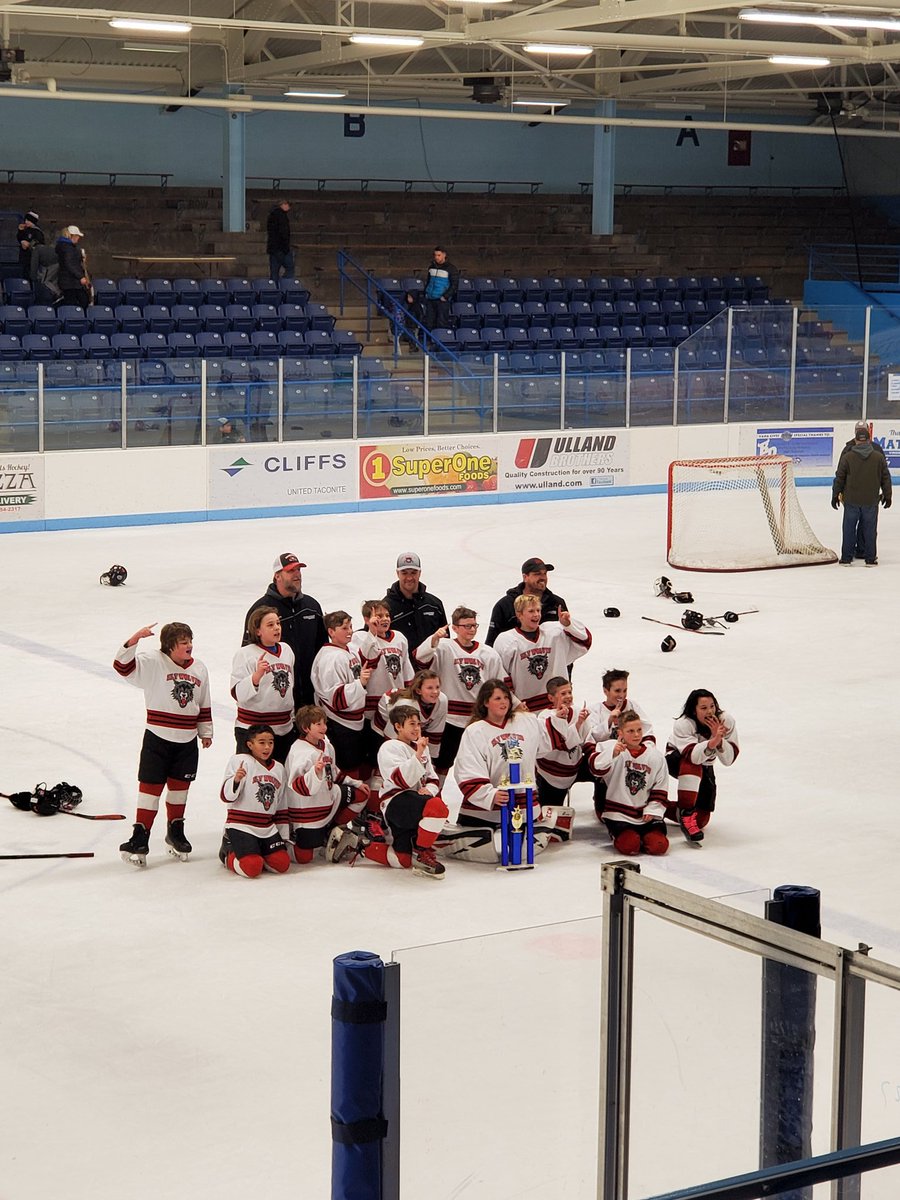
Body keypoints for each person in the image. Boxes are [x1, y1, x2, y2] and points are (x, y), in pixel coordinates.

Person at [113, 621, 213, 867]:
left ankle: (175, 831)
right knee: (150, 790)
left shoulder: (199, 668)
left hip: (186, 740)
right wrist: (134, 639)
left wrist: (205, 731)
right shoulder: (153, 661)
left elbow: (203, 702)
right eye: (183, 642)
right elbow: (122, 667)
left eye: (190, 640)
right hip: (157, 738)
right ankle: (140, 835)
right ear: (169, 646)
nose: (189, 645)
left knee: (180, 790)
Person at [441, 680, 566, 863]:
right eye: (497, 698)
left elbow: (545, 742)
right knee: (475, 836)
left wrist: (559, 718)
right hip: (484, 808)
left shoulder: (525, 721)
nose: (504, 702)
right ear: (485, 702)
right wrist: (489, 794)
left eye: (506, 697)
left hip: (522, 803)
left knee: (522, 850)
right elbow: (467, 768)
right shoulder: (475, 731)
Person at [327, 704, 449, 879]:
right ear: (398, 726)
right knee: (437, 808)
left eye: (418, 724)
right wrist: (418, 754)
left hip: (416, 803)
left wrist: (429, 789)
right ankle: (421, 851)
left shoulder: (422, 747)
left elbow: (432, 778)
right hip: (396, 803)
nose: (417, 728)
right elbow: (401, 780)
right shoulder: (389, 747)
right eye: (412, 724)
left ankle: (356, 843)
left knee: (402, 860)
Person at [414, 606, 506, 772]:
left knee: (478, 765)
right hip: (449, 719)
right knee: (442, 763)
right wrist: (434, 639)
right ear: (455, 628)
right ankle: (438, 792)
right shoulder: (443, 647)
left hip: (476, 719)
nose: (471, 629)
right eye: (467, 626)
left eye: (474, 625)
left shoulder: (489, 654)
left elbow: (499, 686)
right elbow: (420, 658)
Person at [282, 705, 369, 864]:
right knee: (304, 857)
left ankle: (332, 831)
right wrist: (315, 773)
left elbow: (333, 771)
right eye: (318, 724)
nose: (324, 727)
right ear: (306, 728)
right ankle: (281, 845)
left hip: (329, 796)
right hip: (307, 810)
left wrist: (354, 783)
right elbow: (297, 786)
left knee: (362, 794)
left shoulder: (325, 744)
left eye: (324, 723)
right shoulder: (300, 752)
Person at [243, 552, 326, 707]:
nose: (297, 575)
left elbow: (323, 650)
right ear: (277, 576)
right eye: (291, 571)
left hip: (310, 697)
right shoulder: (260, 610)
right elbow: (247, 656)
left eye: (299, 570)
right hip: (277, 698)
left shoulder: (312, 607)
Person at [589, 711, 669, 857]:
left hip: (646, 816)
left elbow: (660, 786)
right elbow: (595, 768)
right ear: (620, 732)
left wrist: (652, 809)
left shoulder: (655, 756)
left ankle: (644, 838)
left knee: (659, 846)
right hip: (618, 815)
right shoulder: (610, 748)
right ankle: (627, 837)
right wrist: (612, 754)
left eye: (639, 730)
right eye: (630, 731)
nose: (637, 735)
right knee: (630, 846)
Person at [493, 594, 592, 712]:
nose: (536, 614)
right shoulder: (506, 640)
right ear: (519, 614)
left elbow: (585, 642)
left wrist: (568, 625)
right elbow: (500, 676)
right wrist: (514, 703)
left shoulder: (554, 632)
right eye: (531, 611)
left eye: (538, 610)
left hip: (557, 706)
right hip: (525, 708)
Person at [666, 689, 739, 844]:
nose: (710, 712)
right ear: (694, 710)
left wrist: (719, 741)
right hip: (677, 758)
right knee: (693, 766)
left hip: (704, 764)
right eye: (704, 708)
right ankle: (686, 814)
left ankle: (661, 805)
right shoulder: (683, 724)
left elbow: (729, 760)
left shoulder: (726, 721)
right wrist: (713, 740)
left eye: (712, 706)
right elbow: (693, 756)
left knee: (702, 820)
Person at [218, 724, 292, 878]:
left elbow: (281, 803)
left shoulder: (279, 768)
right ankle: (228, 851)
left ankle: (257, 850)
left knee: (282, 864)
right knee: (252, 868)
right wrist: (236, 780)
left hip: (267, 827)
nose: (267, 747)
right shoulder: (240, 761)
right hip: (242, 826)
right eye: (262, 742)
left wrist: (283, 834)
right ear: (250, 744)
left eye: (270, 742)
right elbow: (226, 796)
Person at [585, 668, 655, 820]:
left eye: (625, 690)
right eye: (617, 690)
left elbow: (648, 732)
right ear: (605, 690)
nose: (622, 695)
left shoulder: (633, 706)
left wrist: (647, 753)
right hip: (608, 767)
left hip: (631, 765)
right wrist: (609, 720)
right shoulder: (595, 710)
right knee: (602, 815)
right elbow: (592, 738)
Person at [230, 606, 296, 762]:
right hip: (252, 730)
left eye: (278, 623)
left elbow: (289, 688)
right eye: (270, 625)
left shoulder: (287, 650)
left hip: (283, 728)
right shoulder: (245, 654)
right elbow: (237, 693)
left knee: (279, 777)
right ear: (257, 631)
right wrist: (256, 677)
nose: (276, 628)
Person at [311, 610, 372, 777]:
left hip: (354, 722)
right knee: (348, 771)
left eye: (351, 627)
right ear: (331, 632)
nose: (350, 631)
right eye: (344, 628)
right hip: (340, 724)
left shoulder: (347, 651)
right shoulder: (330, 659)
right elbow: (335, 699)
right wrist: (360, 684)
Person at [832, 421, 892, 566]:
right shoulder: (878, 456)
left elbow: (840, 476)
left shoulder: (848, 455)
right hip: (871, 499)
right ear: (869, 437)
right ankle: (870, 558)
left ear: (856, 439)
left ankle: (846, 557)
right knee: (870, 529)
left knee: (849, 528)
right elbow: (885, 477)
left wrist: (835, 494)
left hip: (851, 499)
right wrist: (887, 495)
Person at [535, 676, 590, 809]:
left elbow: (587, 737)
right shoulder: (544, 717)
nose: (568, 696)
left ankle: (603, 806)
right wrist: (578, 724)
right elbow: (563, 742)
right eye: (563, 693)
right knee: (550, 815)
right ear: (551, 698)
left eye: (570, 692)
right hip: (551, 776)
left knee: (604, 770)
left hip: (575, 767)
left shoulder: (577, 711)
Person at [486, 557, 569, 645]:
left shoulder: (557, 603)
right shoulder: (505, 605)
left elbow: (568, 640)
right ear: (525, 577)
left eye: (544, 573)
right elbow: (492, 643)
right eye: (537, 574)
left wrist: (569, 625)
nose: (543, 578)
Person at [383, 552, 447, 657]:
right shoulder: (385, 607)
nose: (409, 577)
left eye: (413, 572)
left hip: (430, 669)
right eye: (404, 573)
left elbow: (445, 642)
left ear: (420, 573)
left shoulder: (434, 605)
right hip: (400, 670)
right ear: (397, 573)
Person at [376, 669, 447, 762]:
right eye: (430, 688)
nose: (435, 691)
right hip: (384, 722)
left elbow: (436, 733)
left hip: (417, 725)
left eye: (437, 687)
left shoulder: (443, 700)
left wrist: (430, 761)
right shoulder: (405, 704)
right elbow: (392, 736)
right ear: (418, 690)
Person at [422, 246, 459, 331]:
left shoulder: (451, 269)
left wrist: (445, 296)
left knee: (441, 322)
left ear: (444, 255)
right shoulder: (431, 267)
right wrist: (426, 292)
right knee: (429, 322)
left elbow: (454, 285)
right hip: (430, 298)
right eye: (435, 255)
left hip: (442, 300)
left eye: (439, 255)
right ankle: (430, 341)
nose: (436, 257)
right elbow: (428, 281)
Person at [55, 225, 91, 307]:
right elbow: (69, 264)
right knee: (81, 301)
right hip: (71, 282)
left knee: (72, 301)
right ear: (72, 236)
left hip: (68, 281)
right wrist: (80, 277)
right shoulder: (68, 248)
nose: (78, 238)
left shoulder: (64, 247)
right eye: (77, 236)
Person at [266, 199, 294, 280]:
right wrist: (286, 248)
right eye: (288, 205)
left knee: (274, 272)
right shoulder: (282, 216)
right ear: (283, 205)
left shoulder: (272, 215)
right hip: (281, 248)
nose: (289, 207)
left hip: (272, 248)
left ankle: (274, 290)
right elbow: (284, 233)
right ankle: (284, 285)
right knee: (290, 268)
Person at [17, 210, 44, 277]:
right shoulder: (26, 230)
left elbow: (39, 243)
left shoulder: (37, 232)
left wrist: (29, 245)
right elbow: (20, 238)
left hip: (32, 258)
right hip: (24, 257)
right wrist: (20, 231)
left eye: (28, 220)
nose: (26, 222)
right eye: (25, 220)